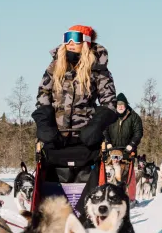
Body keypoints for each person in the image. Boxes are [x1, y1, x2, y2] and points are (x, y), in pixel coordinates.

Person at [32, 25, 118, 186]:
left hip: (85, 138)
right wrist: (45, 125)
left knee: (86, 176)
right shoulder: (54, 66)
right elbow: (43, 94)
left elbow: (109, 102)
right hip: (56, 136)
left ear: (86, 42)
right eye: (67, 38)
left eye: (75, 38)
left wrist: (95, 126)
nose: (70, 42)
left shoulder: (98, 69)